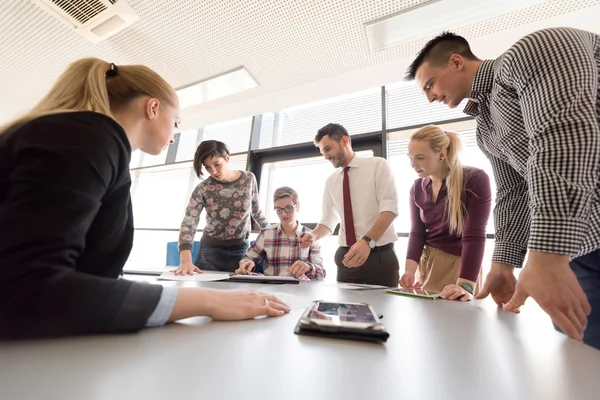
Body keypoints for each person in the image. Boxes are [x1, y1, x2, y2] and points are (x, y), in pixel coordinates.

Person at [0, 58, 289, 340]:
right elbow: (27, 284)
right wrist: (206, 301)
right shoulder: (90, 138)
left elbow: (75, 271)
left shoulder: (96, 144)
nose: (175, 136)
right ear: (153, 107)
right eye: (176, 122)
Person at [406, 28, 599, 347]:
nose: (429, 98)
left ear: (456, 62)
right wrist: (504, 263)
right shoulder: (485, 128)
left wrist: (546, 256)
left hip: (562, 247)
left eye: (430, 85)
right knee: (580, 353)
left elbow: (564, 138)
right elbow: (514, 193)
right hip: (580, 246)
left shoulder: (534, 50)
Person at [299, 123, 400, 287]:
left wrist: (367, 242)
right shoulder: (331, 181)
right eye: (323, 152)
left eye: (328, 149)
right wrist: (314, 236)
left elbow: (390, 209)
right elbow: (328, 220)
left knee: (385, 311)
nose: (325, 156)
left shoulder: (378, 165)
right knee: (346, 311)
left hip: (379, 257)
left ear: (344, 141)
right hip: (347, 258)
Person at [401, 125, 492, 301]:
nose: (413, 165)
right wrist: (409, 270)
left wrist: (465, 286)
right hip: (427, 265)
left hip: (461, 268)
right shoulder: (417, 188)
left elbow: (474, 235)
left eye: (420, 158)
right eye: (410, 158)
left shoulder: (474, 179)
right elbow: (417, 232)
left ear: (442, 155)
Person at [173, 140, 268, 275]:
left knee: (237, 292)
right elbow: (189, 222)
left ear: (227, 157)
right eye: (207, 167)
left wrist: (273, 234)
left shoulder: (248, 179)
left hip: (240, 249)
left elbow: (256, 211)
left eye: (217, 164)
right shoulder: (202, 189)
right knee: (207, 293)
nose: (213, 171)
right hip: (209, 251)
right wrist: (185, 260)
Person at [236, 186, 325, 280]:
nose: (283, 214)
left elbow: (321, 273)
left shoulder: (310, 236)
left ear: (297, 206)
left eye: (289, 208)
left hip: (299, 289)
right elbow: (247, 258)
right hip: (271, 289)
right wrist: (247, 263)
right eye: (279, 210)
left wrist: (309, 268)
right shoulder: (267, 234)